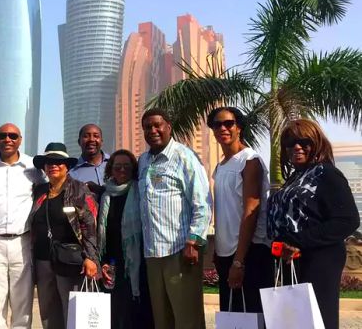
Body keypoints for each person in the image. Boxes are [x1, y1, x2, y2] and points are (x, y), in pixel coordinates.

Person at [268, 118, 359, 329]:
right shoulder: (296, 177)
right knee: (297, 322)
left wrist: (298, 241)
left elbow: (348, 220)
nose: (297, 147)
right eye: (290, 143)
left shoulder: (327, 174)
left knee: (317, 321)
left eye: (304, 141)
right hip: (292, 260)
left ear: (316, 143)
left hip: (319, 259)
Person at [138, 108, 211, 329]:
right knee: (162, 320)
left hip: (179, 250)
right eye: (147, 127)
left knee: (187, 319)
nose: (153, 130)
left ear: (169, 127)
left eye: (157, 125)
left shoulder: (184, 156)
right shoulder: (143, 161)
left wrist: (193, 241)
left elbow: (202, 202)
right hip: (152, 253)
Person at [207, 107, 272, 313]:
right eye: (217, 124)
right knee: (232, 317)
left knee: (251, 316)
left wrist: (239, 261)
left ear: (239, 127)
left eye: (229, 123)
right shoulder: (221, 166)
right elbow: (223, 212)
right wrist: (219, 251)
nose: (223, 128)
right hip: (227, 253)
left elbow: (251, 212)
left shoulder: (250, 161)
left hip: (249, 251)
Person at [29, 142, 99, 329]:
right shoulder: (40, 191)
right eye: (49, 162)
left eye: (59, 162)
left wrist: (91, 258)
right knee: (48, 313)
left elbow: (90, 225)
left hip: (70, 260)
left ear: (67, 166)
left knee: (73, 312)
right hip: (43, 260)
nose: (53, 166)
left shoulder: (78, 189)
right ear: (43, 167)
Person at [0, 123, 42, 329]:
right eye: (3, 136)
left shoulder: (32, 167)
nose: (8, 139)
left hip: (22, 240)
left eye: (13, 136)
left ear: (20, 140)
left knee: (22, 302)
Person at [96, 149, 154, 329]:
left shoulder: (141, 193)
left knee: (137, 315)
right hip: (112, 266)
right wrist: (102, 262)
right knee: (115, 316)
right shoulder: (105, 196)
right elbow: (102, 235)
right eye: (117, 166)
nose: (122, 170)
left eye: (127, 167)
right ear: (110, 169)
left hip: (138, 264)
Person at [69, 124, 110, 189]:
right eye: (86, 136)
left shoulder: (114, 164)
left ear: (101, 141)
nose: (91, 139)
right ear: (79, 142)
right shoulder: (71, 173)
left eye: (96, 136)